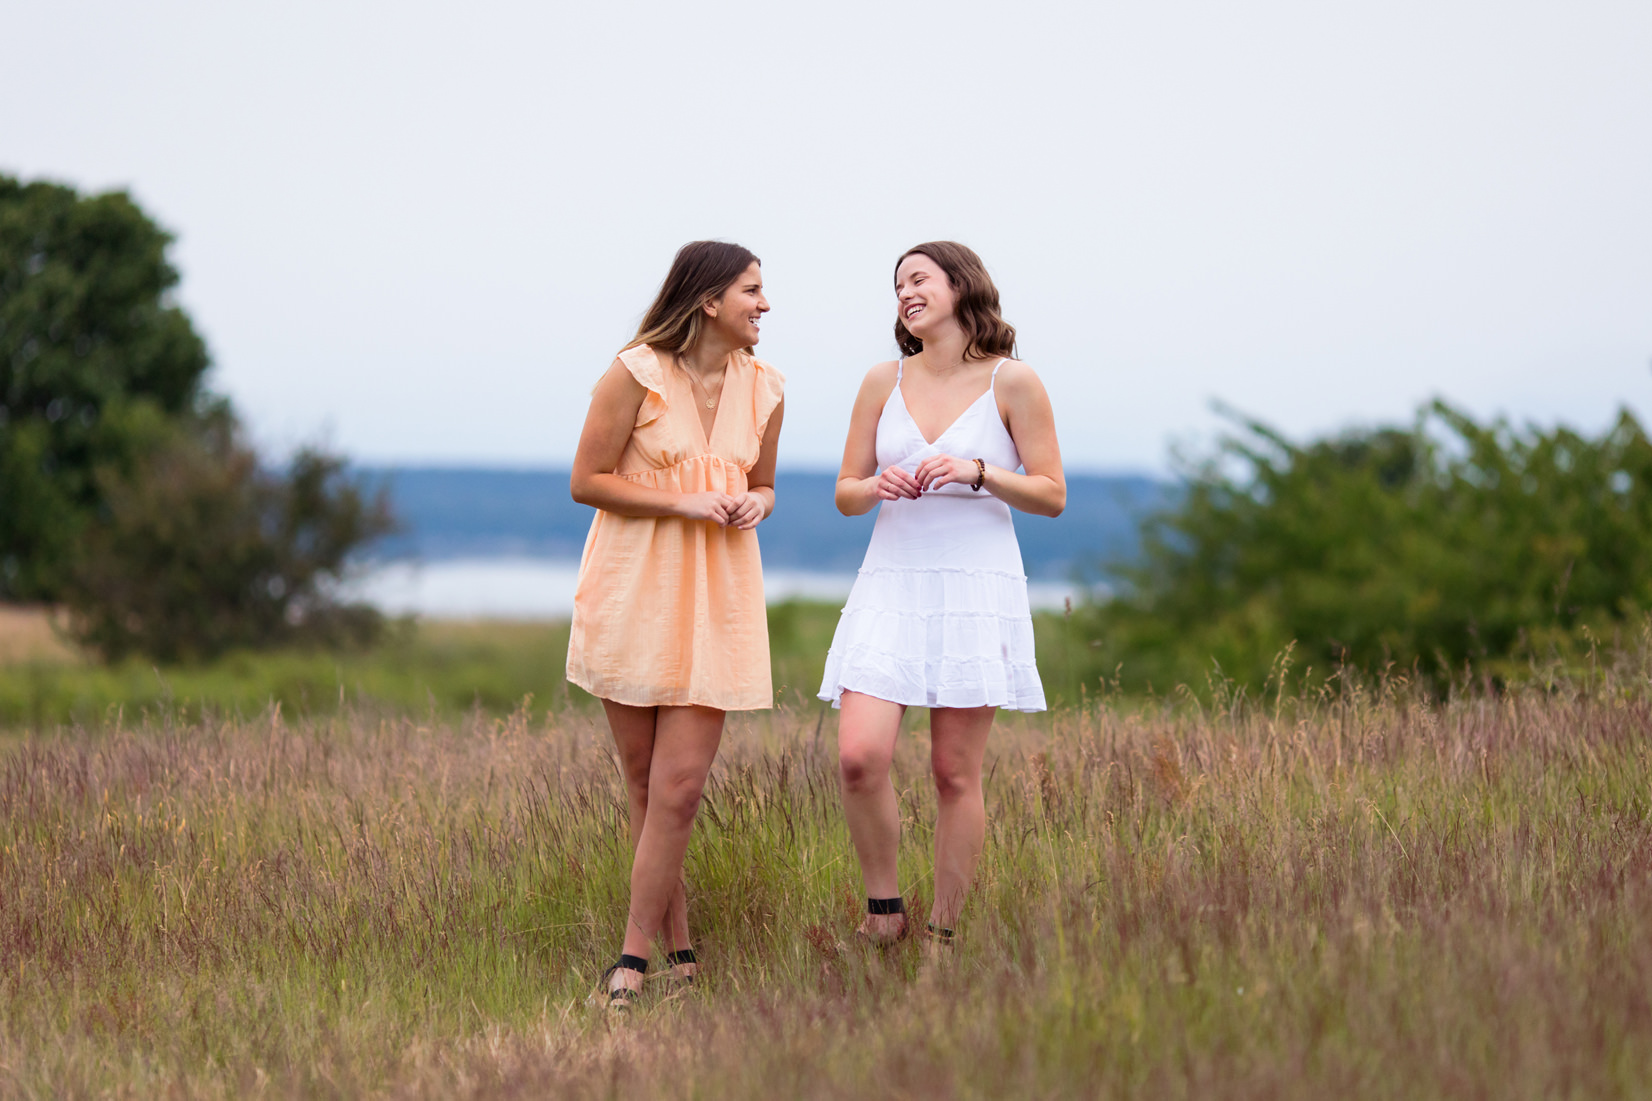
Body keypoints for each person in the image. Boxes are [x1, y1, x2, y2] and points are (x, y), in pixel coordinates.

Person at [818, 241, 1064, 949]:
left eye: (918, 278)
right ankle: (884, 910)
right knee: (859, 757)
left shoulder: (1013, 382)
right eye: (897, 285)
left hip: (973, 584)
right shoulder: (880, 380)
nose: (904, 292)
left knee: (954, 771)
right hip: (891, 581)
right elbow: (844, 493)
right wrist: (875, 486)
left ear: (961, 285)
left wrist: (977, 469)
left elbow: (1051, 494)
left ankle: (943, 939)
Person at [568, 240, 784, 1010]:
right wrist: (682, 501)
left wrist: (752, 502)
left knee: (681, 788)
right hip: (634, 591)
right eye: (753, 291)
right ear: (708, 301)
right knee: (644, 785)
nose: (765, 304)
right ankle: (680, 950)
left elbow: (762, 485)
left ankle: (629, 961)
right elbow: (585, 480)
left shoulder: (766, 388)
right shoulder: (635, 373)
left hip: (716, 599)